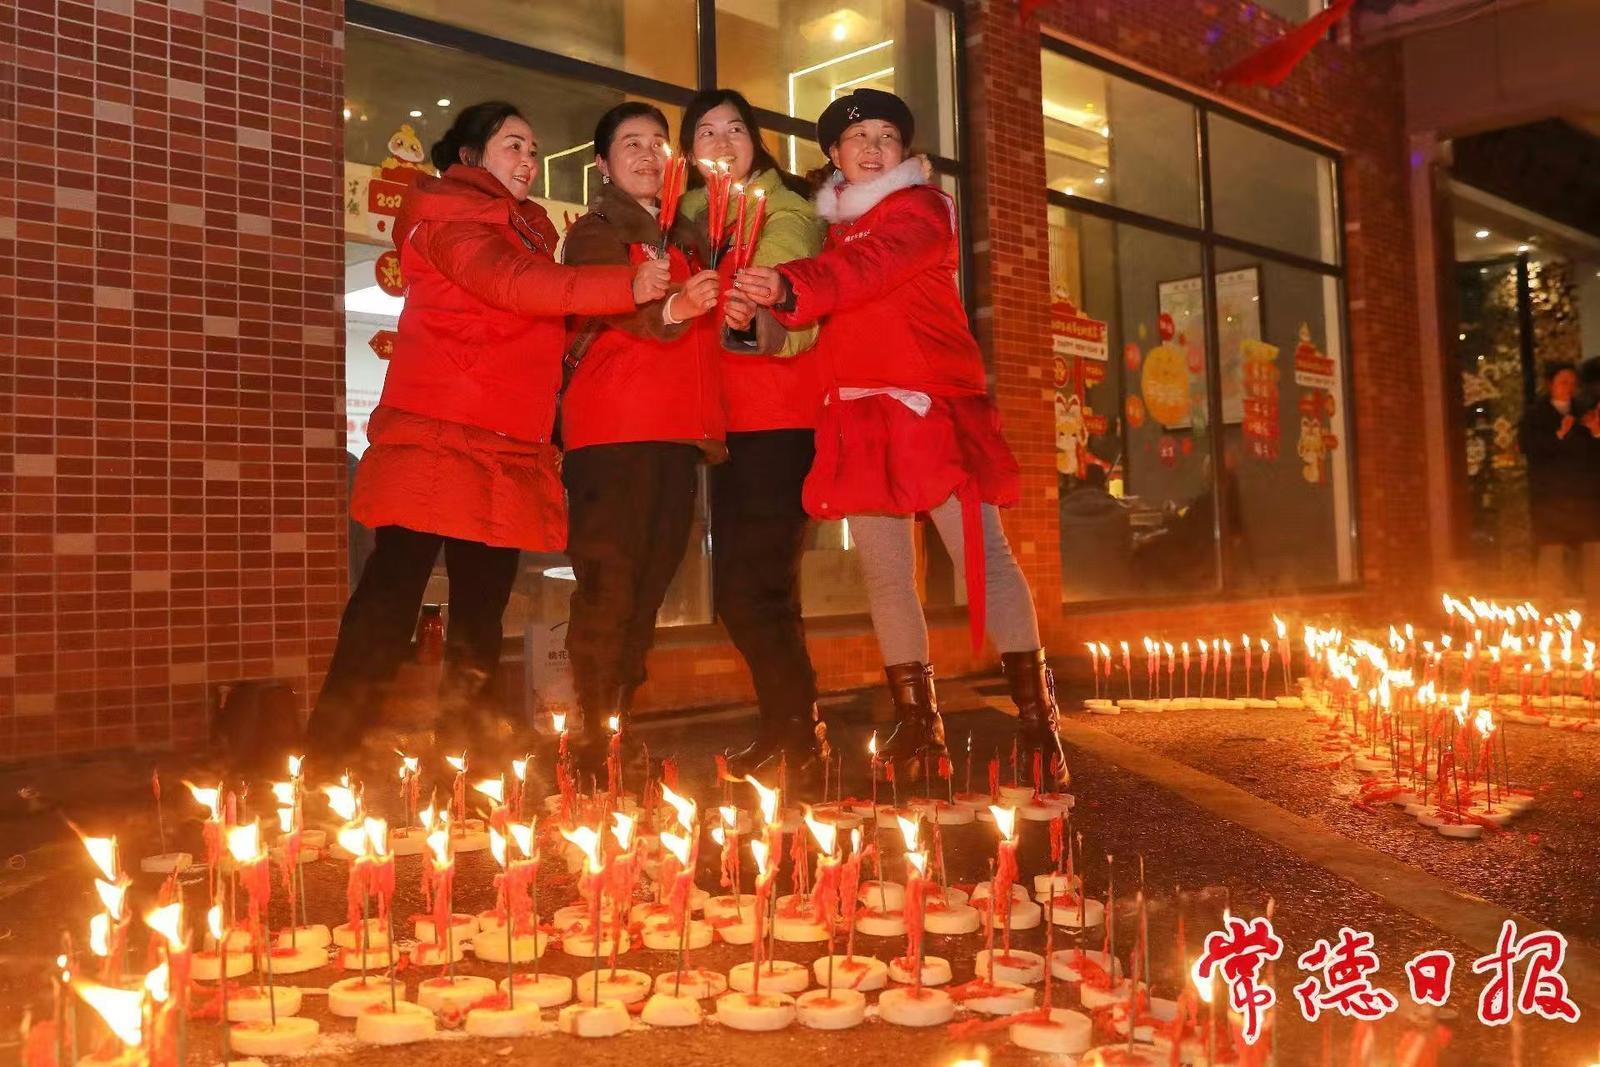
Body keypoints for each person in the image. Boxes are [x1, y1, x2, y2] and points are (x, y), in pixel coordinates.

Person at [305, 101, 670, 764]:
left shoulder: (525, 231)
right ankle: (328, 756)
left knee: (481, 610)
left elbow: (543, 308)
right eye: (513, 145)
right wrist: (627, 283)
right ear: (471, 155)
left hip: (504, 444)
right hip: (439, 435)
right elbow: (512, 284)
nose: (528, 160)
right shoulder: (451, 216)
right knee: (391, 595)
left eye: (532, 149)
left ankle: (462, 761)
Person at [734, 88, 1068, 783]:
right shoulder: (831, 233)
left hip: (930, 408)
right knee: (886, 575)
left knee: (983, 560)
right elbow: (821, 310)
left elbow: (867, 270)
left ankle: (1039, 723)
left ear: (903, 152)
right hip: (861, 415)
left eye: (887, 136)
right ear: (834, 154)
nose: (874, 147)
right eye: (858, 138)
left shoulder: (922, 209)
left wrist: (789, 285)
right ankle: (920, 727)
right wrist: (759, 311)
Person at [560, 102, 727, 778]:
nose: (648, 153)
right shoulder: (596, 232)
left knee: (650, 587)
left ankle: (616, 724)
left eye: (658, 142)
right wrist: (674, 305)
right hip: (612, 433)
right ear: (602, 164)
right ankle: (593, 740)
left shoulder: (691, 240)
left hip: (676, 435)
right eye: (630, 143)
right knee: (610, 586)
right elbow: (610, 299)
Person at [675, 89, 830, 777]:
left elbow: (788, 277)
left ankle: (796, 730)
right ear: (690, 151)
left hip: (778, 419)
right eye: (706, 132)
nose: (722, 140)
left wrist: (756, 306)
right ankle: (793, 730)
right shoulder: (686, 218)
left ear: (755, 141)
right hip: (721, 426)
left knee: (748, 592)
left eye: (735, 128)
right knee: (763, 590)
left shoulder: (783, 208)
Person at [1520, 361, 1600, 602]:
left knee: (1593, 555)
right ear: (1550, 384)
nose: (1569, 387)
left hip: (1584, 498)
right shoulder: (1535, 415)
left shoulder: (1584, 412)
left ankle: (1596, 612)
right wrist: (1559, 435)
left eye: (1572, 383)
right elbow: (1529, 448)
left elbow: (1593, 455)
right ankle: (1550, 611)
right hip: (1551, 498)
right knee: (1552, 555)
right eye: (1563, 382)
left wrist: (1596, 432)